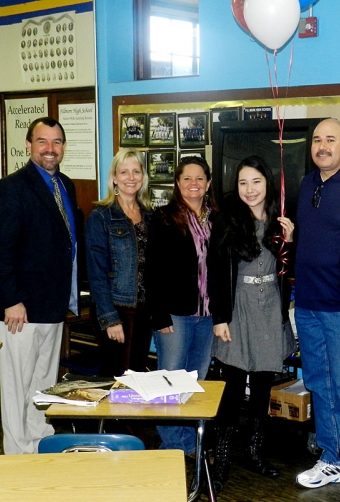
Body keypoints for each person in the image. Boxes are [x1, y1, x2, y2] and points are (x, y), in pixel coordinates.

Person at [0, 117, 82, 454]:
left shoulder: (66, 185)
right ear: (29, 145)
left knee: (44, 385)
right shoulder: (12, 187)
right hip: (21, 310)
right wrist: (12, 299)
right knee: (17, 387)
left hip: (52, 305)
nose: (50, 149)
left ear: (64, 147)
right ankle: (17, 455)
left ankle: (39, 444)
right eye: (42, 141)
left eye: (56, 142)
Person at [207, 155, 295, 492]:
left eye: (256, 181)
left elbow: (288, 269)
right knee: (232, 386)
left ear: (267, 183)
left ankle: (257, 454)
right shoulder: (228, 221)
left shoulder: (280, 221)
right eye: (243, 182)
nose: (250, 189)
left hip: (270, 307)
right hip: (238, 308)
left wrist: (291, 239)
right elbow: (215, 272)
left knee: (261, 386)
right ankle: (223, 459)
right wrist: (220, 318)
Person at [295, 118, 340, 488]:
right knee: (318, 382)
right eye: (317, 140)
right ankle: (331, 454)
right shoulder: (308, 183)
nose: (322, 146)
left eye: (331, 140)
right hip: (306, 303)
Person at [146, 156, 217, 458]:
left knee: (194, 379)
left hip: (207, 314)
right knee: (170, 377)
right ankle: (173, 444)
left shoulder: (216, 218)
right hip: (175, 313)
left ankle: (190, 442)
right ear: (177, 183)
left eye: (199, 178)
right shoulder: (164, 218)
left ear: (208, 183)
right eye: (187, 178)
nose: (193, 184)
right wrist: (158, 314)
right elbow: (153, 271)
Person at [86, 149, 153, 377]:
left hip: (144, 311)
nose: (131, 177)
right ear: (114, 177)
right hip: (116, 309)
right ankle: (113, 415)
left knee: (137, 378)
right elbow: (97, 273)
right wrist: (110, 318)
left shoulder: (149, 216)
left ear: (143, 177)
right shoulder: (101, 216)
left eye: (136, 171)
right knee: (115, 379)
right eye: (124, 172)